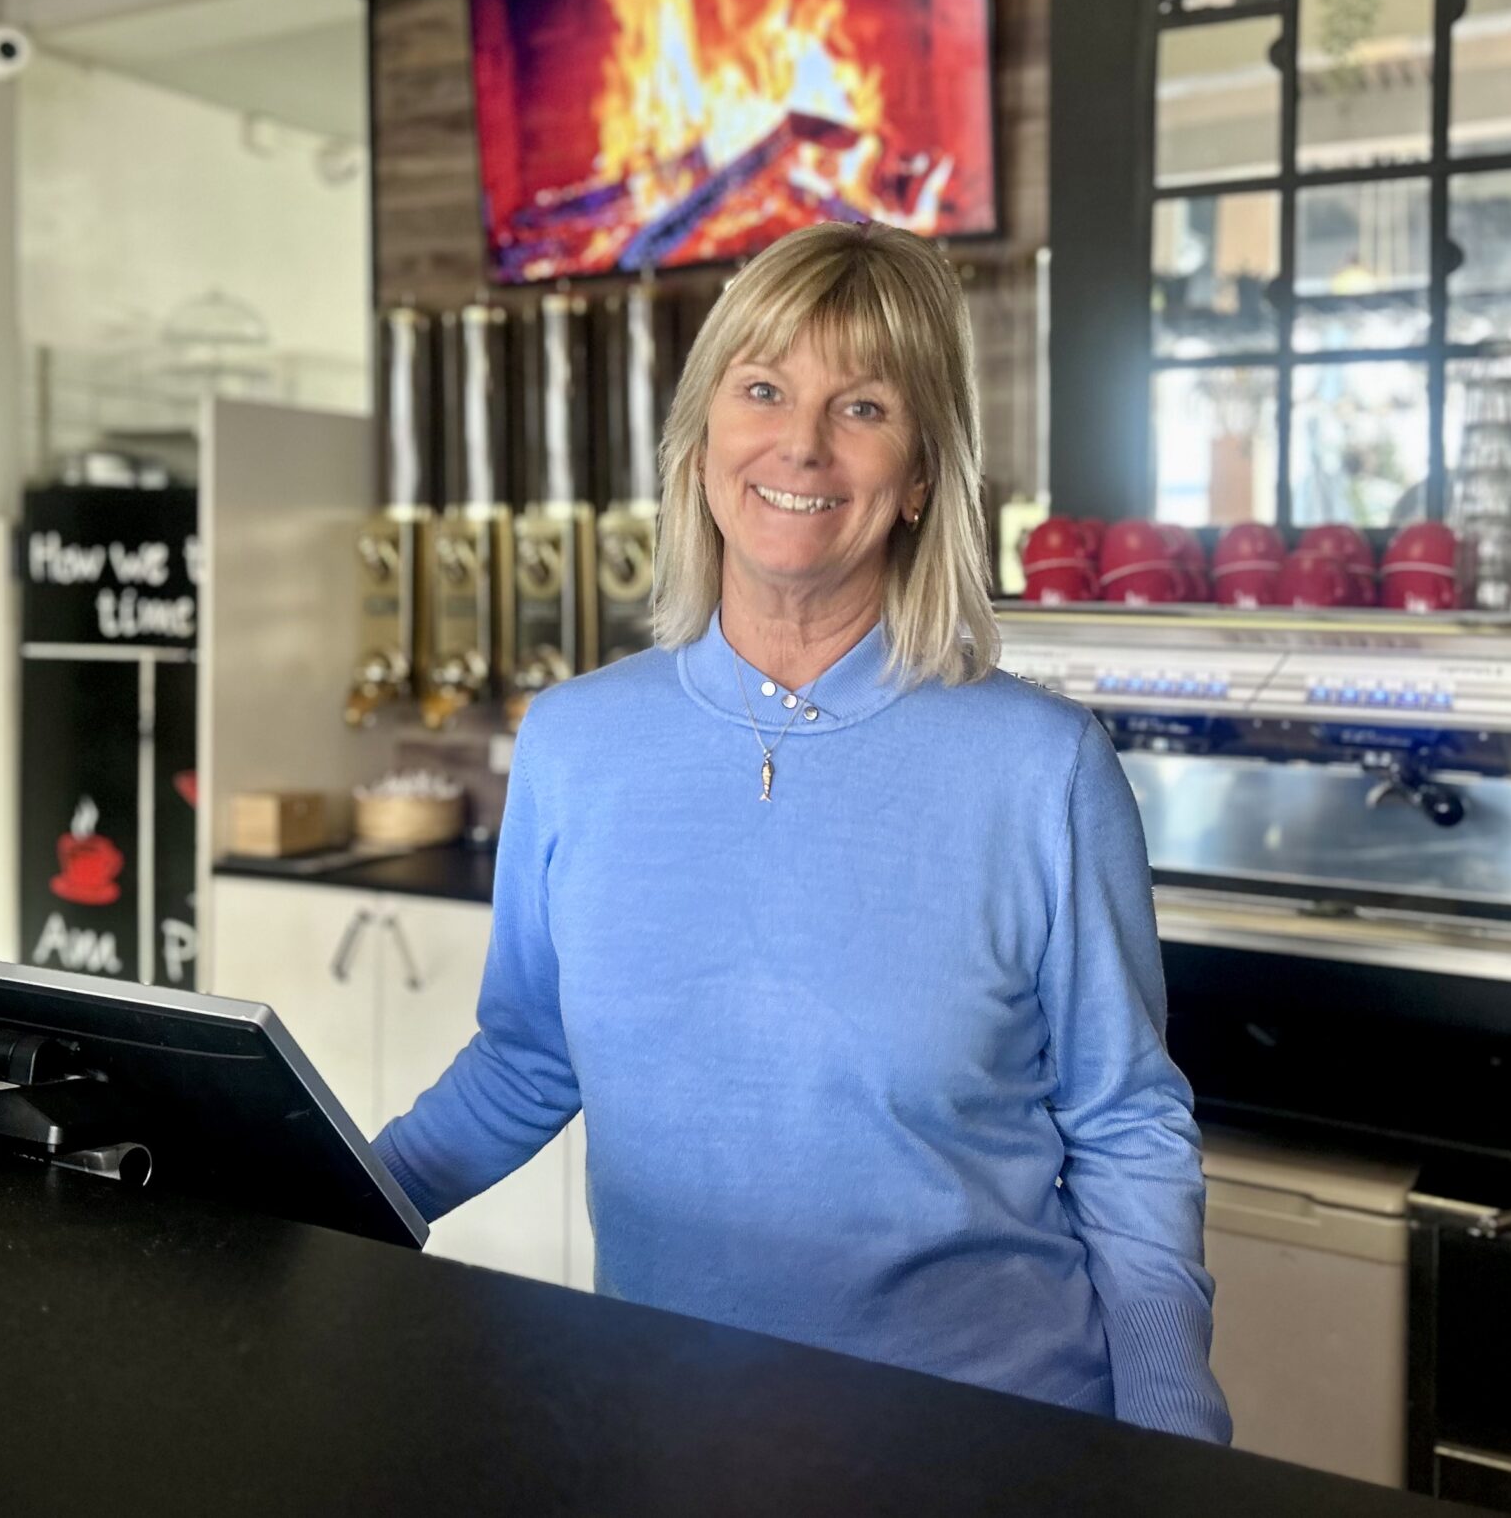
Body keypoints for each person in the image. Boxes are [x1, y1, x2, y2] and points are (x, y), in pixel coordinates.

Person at [372, 222, 1230, 1442]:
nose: (802, 443)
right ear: (700, 442)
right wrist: (330, 1196)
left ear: (921, 476)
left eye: (863, 406)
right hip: (671, 1425)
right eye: (763, 389)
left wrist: (1170, 1433)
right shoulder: (571, 741)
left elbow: (1124, 1121)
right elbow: (527, 1056)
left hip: (985, 1443)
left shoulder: (1041, 766)